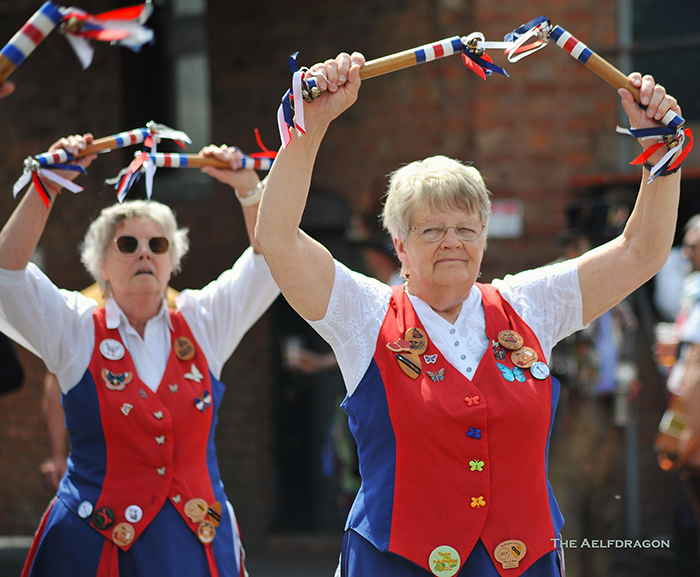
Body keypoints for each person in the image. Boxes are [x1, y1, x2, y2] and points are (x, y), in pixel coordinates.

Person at [255, 51, 683, 577]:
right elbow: (277, 241)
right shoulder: (364, 314)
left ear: (484, 239)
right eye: (432, 230)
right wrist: (310, 124)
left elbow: (641, 252)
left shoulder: (530, 303)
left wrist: (662, 148)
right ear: (400, 246)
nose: (452, 242)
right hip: (397, 563)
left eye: (466, 229)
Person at [0, 133, 279, 576]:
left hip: (194, 542)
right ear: (102, 266)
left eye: (158, 245)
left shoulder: (203, 320)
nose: (145, 252)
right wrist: (45, 187)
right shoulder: (75, 326)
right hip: (94, 544)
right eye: (128, 245)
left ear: (173, 262)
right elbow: (5, 277)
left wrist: (249, 189)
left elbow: (273, 264)